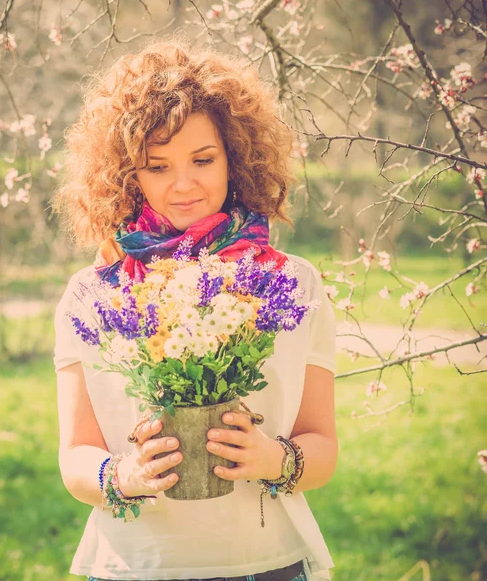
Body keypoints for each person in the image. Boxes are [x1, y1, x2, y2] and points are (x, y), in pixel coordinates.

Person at [51, 36, 337, 581]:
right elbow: (75, 459)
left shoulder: (294, 284)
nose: (183, 185)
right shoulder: (91, 296)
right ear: (127, 174)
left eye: (203, 159)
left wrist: (275, 459)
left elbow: (321, 445)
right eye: (157, 166)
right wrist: (123, 475)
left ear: (237, 156)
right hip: (132, 567)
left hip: (269, 564)